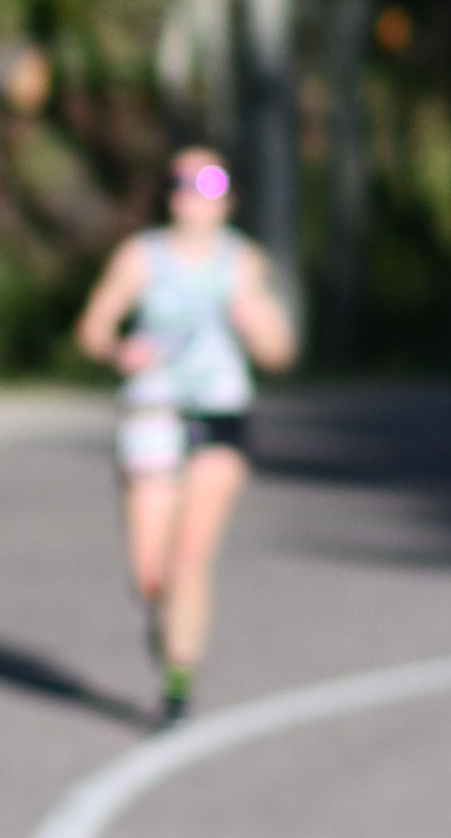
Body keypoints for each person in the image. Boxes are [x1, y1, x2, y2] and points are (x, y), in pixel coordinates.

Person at [75, 146, 295, 719]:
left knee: (188, 560)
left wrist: (256, 323)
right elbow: (93, 328)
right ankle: (167, 622)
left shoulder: (241, 262)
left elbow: (279, 353)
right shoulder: (140, 257)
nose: (194, 193)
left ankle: (177, 683)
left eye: (210, 182)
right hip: (153, 415)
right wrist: (120, 350)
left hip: (218, 416)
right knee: (150, 576)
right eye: (182, 181)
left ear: (229, 197)